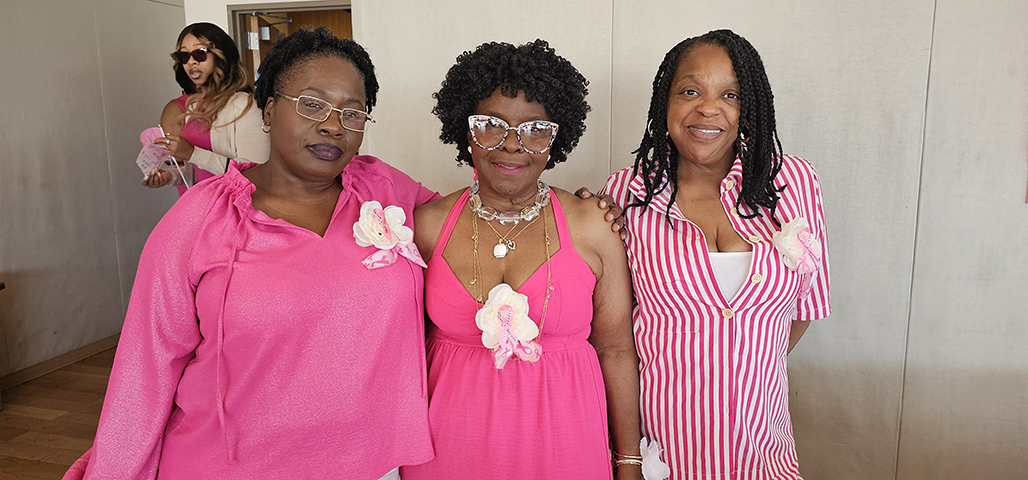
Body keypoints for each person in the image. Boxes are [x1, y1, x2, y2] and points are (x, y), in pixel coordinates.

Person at [68, 27, 436, 479]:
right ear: (270, 109)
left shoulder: (382, 187)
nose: (333, 125)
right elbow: (145, 367)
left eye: (353, 112)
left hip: (371, 463)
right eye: (312, 104)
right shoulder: (201, 219)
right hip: (230, 467)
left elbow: (471, 227)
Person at [402, 40, 645, 480]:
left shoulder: (592, 225)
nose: (512, 144)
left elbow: (615, 350)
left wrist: (629, 462)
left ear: (556, 138)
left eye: (535, 129)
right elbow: (397, 350)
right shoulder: (427, 226)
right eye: (491, 125)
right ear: (466, 131)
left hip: (566, 448)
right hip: (448, 447)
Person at [601, 30, 831, 479]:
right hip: (660, 453)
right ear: (665, 102)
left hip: (764, 456)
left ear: (749, 107)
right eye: (690, 91)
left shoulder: (795, 183)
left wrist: (737, 363)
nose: (709, 108)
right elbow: (609, 336)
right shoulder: (625, 193)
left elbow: (806, 307)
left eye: (730, 95)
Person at [143, 22, 269, 195]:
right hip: (202, 206)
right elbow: (200, 173)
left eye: (199, 53)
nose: (191, 62)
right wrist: (169, 177)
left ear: (220, 56)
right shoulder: (193, 106)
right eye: (184, 56)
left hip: (233, 207)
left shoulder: (245, 105)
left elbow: (255, 173)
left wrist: (192, 153)